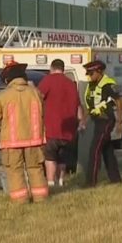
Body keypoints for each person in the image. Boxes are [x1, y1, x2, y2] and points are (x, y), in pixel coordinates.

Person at [0, 61, 48, 203]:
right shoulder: (36, 93)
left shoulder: (2, 96)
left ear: (7, 79)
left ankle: (20, 201)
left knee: (14, 171)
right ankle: (40, 198)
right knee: (36, 169)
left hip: (11, 143)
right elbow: (43, 112)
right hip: (34, 141)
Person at [38, 59, 82, 187]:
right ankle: (61, 181)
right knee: (63, 158)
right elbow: (78, 106)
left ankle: (51, 182)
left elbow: (38, 96)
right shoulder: (71, 84)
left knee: (50, 156)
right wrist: (81, 122)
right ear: (63, 69)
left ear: (52, 68)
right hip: (69, 130)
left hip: (52, 127)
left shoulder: (48, 80)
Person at [81, 60, 122, 187]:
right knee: (107, 150)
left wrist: (120, 121)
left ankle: (90, 183)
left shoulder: (107, 85)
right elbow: (91, 106)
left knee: (95, 150)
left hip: (106, 120)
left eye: (92, 73)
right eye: (88, 73)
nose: (90, 76)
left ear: (99, 72)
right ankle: (116, 179)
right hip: (97, 120)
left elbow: (119, 101)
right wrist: (84, 119)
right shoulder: (91, 85)